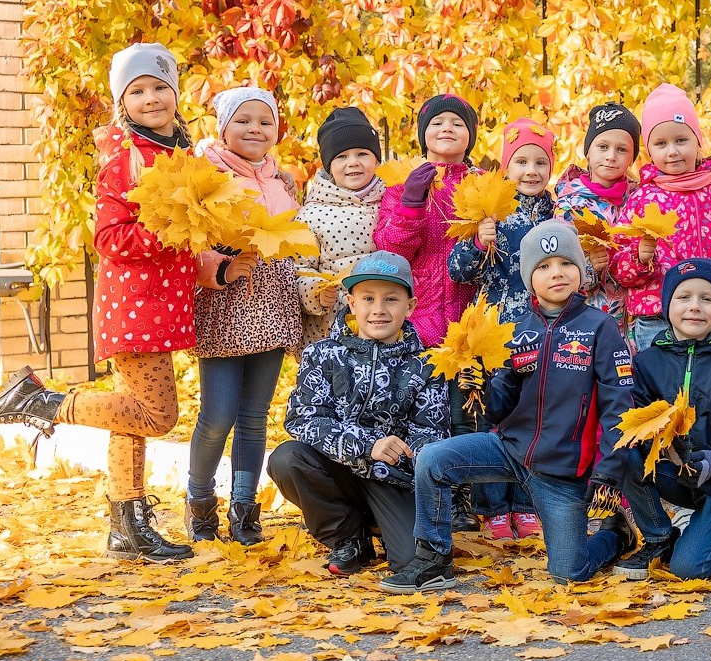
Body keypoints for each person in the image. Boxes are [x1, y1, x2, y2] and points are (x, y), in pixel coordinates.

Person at [0, 43, 196, 561]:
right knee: (157, 415)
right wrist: (172, 228)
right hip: (135, 308)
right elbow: (110, 240)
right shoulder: (123, 160)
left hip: (159, 306)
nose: (151, 98)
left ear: (175, 93)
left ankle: (126, 527)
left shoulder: (177, 152)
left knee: (129, 416)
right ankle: (42, 403)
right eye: (138, 91)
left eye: (159, 87)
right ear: (121, 102)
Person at [380, 220, 636, 592]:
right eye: (543, 266)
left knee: (569, 572)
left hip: (561, 468)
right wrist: (480, 391)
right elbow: (499, 408)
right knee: (433, 459)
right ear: (528, 276)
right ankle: (432, 559)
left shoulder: (601, 328)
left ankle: (618, 536)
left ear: (581, 270)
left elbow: (620, 405)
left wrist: (609, 471)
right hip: (509, 448)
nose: (556, 274)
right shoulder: (515, 330)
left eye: (566, 263)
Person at [268, 251, 448, 575]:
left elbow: (432, 432)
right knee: (287, 459)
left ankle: (383, 522)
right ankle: (349, 537)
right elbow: (303, 418)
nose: (378, 309)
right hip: (338, 468)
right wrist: (367, 444)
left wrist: (404, 453)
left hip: (392, 477)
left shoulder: (427, 365)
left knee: (411, 561)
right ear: (351, 303)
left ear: (410, 306)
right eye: (368, 298)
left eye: (391, 299)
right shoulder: (324, 354)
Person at [186, 86, 303, 545]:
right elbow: (190, 242)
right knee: (216, 415)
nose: (255, 129)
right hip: (225, 303)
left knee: (255, 415)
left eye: (265, 121)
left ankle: (244, 505)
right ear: (223, 127)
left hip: (271, 304)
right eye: (243, 120)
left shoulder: (284, 181)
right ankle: (199, 501)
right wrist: (222, 268)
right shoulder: (207, 174)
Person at [615, 258, 711, 580]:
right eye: (684, 297)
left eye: (707, 299)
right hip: (675, 473)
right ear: (667, 305)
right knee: (621, 450)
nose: (695, 307)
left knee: (688, 569)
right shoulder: (647, 363)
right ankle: (659, 536)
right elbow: (635, 423)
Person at [447, 117, 559, 539]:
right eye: (522, 162)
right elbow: (458, 270)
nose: (531, 171)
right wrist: (479, 240)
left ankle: (527, 502)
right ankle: (493, 505)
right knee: (491, 418)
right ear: (506, 169)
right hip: (494, 337)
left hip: (542, 335)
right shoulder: (493, 215)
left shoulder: (558, 215)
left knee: (534, 418)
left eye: (540, 163)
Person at [611, 84, 711, 351]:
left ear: (698, 141)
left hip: (710, 318)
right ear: (649, 150)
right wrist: (639, 257)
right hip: (658, 320)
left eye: (681, 140)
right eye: (660, 143)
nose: (672, 151)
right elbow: (619, 265)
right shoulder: (642, 199)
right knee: (661, 392)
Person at [373, 94, 481, 349]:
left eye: (457, 123)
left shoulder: (483, 185)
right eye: (437, 122)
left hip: (474, 324)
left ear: (470, 137)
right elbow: (390, 251)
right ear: (423, 134)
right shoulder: (402, 185)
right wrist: (411, 205)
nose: (447, 128)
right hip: (417, 324)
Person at [296, 107, 386, 345]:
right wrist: (314, 292)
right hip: (332, 331)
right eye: (341, 156)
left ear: (377, 159)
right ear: (328, 165)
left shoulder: (393, 203)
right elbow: (298, 268)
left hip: (386, 324)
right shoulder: (312, 214)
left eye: (362, 154)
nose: (353, 163)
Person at [555, 102, 641, 330]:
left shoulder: (640, 200)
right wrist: (591, 268)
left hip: (632, 324)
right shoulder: (570, 203)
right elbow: (557, 269)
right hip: (584, 323)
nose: (611, 156)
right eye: (603, 147)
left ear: (632, 157)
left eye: (622, 150)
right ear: (588, 151)